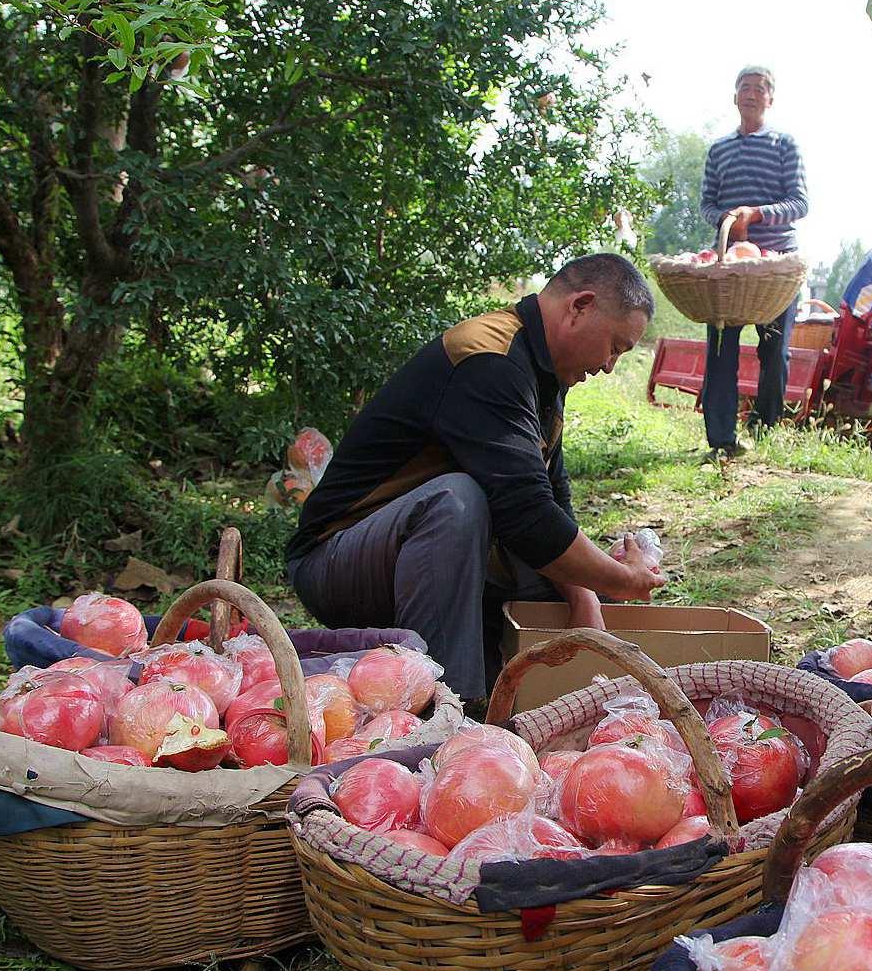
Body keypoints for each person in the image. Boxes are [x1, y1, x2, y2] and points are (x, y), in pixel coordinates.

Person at [284, 253, 665, 703]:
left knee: (591, 580)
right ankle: (452, 710)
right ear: (580, 306)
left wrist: (589, 595)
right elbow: (530, 520)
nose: (608, 366)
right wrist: (620, 579)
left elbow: (549, 501)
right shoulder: (490, 358)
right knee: (458, 500)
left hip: (426, 558)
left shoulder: (544, 374)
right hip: (337, 562)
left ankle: (522, 693)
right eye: (615, 347)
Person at [697, 65, 809, 458]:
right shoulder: (719, 149)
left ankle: (765, 428)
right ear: (734, 96)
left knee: (775, 350)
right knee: (721, 348)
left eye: (760, 88)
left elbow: (800, 203)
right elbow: (707, 205)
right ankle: (721, 438)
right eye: (745, 87)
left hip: (776, 266)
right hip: (728, 264)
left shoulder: (784, 144)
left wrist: (757, 214)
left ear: (770, 99)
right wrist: (729, 221)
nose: (751, 93)